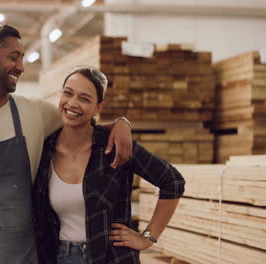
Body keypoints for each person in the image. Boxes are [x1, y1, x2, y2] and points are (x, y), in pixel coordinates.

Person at [0, 24, 133, 264]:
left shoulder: (34, 112)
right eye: (13, 58)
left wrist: (121, 123)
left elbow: (82, 121)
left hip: (23, 257)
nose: (21, 67)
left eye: (22, 58)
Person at [32, 65, 185, 264]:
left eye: (84, 98)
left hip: (112, 258)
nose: (72, 103)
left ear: (98, 108)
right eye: (68, 93)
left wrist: (147, 237)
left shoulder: (114, 146)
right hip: (62, 257)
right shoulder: (44, 151)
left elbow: (172, 181)